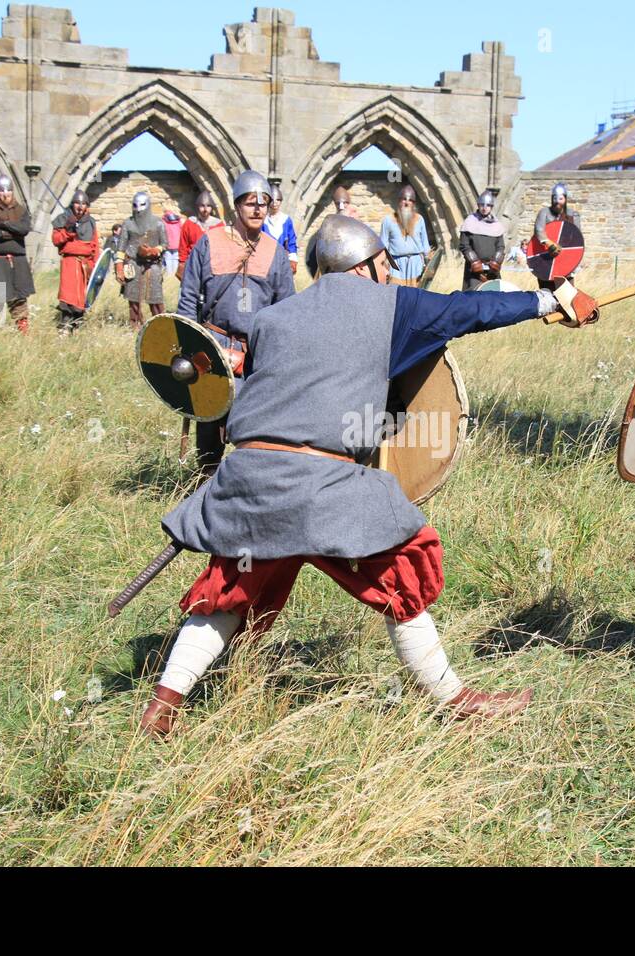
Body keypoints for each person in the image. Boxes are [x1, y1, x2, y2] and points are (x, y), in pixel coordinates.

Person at [138, 214, 601, 735]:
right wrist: (550, 301)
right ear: (364, 267)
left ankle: (161, 706)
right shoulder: (391, 305)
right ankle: (455, 700)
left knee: (231, 583)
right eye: (385, 264)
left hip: (249, 479)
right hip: (324, 484)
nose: (391, 274)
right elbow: (468, 308)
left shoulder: (272, 318)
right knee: (407, 565)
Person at [177, 170, 295, 476]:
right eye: (249, 202)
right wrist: (189, 349)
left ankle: (243, 493)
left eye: (264, 203)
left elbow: (286, 313)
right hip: (211, 349)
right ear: (236, 206)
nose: (257, 209)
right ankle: (205, 489)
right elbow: (189, 299)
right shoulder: (209, 243)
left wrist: (278, 362)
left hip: (255, 356)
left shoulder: (275, 253)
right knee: (209, 434)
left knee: (254, 433)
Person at [0, 175, 36, 333]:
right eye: (2, 192)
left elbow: (24, 228)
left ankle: (23, 329)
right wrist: (8, 233)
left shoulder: (20, 210)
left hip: (17, 261)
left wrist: (4, 225)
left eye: (9, 191)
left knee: (19, 298)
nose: (6, 195)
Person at [50, 189, 99, 335]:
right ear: (73, 204)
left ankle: (77, 327)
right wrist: (68, 231)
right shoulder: (64, 219)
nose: (80, 207)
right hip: (70, 263)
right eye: (77, 203)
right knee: (68, 297)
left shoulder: (91, 222)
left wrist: (94, 265)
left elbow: (95, 246)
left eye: (83, 204)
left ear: (87, 206)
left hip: (86, 264)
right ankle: (64, 328)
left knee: (81, 299)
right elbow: (56, 240)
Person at [116, 191, 167, 329]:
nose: (138, 209)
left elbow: (165, 244)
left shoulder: (158, 223)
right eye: (135, 205)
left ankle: (160, 325)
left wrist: (155, 250)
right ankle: (135, 326)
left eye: (142, 205)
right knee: (133, 299)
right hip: (133, 263)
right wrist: (119, 267)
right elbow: (121, 247)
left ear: (148, 205)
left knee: (155, 298)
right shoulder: (128, 223)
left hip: (152, 265)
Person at [533, 183, 581, 292]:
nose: (557, 201)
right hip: (546, 258)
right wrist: (548, 243)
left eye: (560, 198)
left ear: (565, 199)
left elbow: (577, 236)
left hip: (565, 259)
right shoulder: (544, 212)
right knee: (547, 292)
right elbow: (539, 230)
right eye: (555, 198)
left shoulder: (573, 215)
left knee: (567, 293)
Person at [381, 184, 431, 287]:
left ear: (413, 204)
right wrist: (383, 265)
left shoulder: (419, 219)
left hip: (416, 263)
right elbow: (383, 244)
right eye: (404, 199)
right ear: (399, 201)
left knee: (416, 295)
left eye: (410, 200)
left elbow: (425, 243)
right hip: (396, 264)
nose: (407, 203)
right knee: (396, 294)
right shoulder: (388, 220)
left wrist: (429, 262)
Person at [458, 190, 504, 291]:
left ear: (491, 207)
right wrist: (474, 261)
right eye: (482, 205)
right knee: (473, 298)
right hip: (474, 271)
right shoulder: (469, 222)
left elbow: (500, 247)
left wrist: (496, 261)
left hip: (493, 270)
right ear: (478, 205)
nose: (484, 208)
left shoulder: (497, 225)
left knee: (494, 297)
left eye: (487, 205)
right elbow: (464, 245)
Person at [177, 190, 223, 274]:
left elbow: (222, 247)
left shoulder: (219, 225)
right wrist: (182, 263)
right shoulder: (189, 223)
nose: (205, 209)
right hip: (193, 264)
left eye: (208, 206)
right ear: (197, 206)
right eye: (202, 206)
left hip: (213, 265)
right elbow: (183, 245)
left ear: (212, 207)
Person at [261, 184, 299, 274]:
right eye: (272, 200)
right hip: (266, 261)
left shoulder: (286, 220)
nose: (275, 203)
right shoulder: (262, 220)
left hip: (283, 260)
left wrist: (292, 259)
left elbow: (291, 241)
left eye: (278, 200)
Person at [162, 208, 184, 278]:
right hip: (177, 245)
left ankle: (169, 277)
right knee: (175, 260)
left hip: (168, 245)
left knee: (168, 260)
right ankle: (174, 278)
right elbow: (182, 231)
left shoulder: (163, 221)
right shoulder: (178, 220)